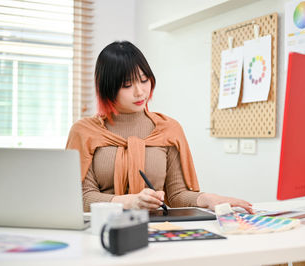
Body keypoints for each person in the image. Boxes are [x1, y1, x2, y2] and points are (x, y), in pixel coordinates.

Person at [66, 41, 253, 214]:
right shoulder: (84, 132)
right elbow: (82, 197)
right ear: (107, 88)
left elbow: (176, 195)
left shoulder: (168, 129)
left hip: (156, 229)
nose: (140, 91)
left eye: (144, 79)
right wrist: (129, 202)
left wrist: (208, 199)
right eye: (127, 85)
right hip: (100, 230)